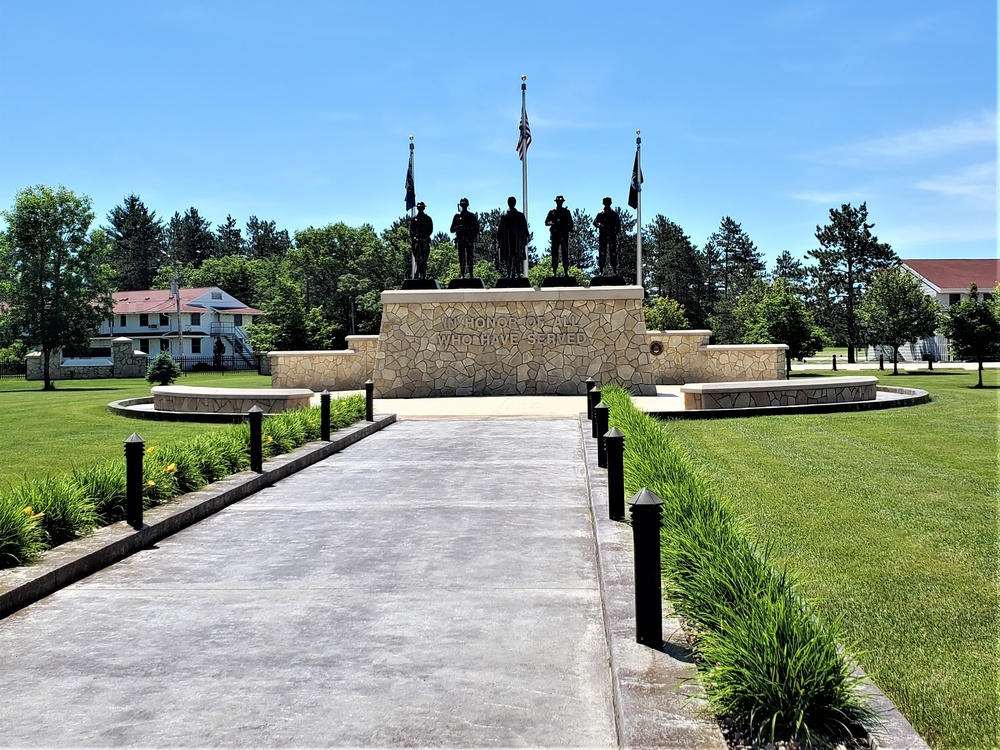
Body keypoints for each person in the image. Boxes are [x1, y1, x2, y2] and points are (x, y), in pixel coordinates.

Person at [496, 196, 528, 278]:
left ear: (515, 203)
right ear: (508, 203)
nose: (511, 204)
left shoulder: (520, 216)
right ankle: (509, 273)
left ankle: (518, 272)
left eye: (512, 202)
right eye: (510, 202)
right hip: (507, 241)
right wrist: (499, 241)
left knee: (517, 256)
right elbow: (500, 230)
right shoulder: (504, 217)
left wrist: (524, 240)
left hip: (517, 240)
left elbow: (524, 229)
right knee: (508, 256)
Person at [450, 198, 480, 278]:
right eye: (462, 204)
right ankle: (462, 274)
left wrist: (472, 237)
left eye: (465, 204)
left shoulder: (471, 216)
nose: (464, 206)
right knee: (461, 257)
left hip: (469, 239)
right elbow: (452, 229)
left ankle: (471, 274)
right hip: (461, 239)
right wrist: (459, 227)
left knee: (470, 257)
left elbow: (476, 228)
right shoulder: (457, 216)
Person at [544, 195, 574, 275]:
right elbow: (546, 222)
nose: (559, 203)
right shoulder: (552, 211)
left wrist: (565, 225)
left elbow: (571, 224)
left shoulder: (566, 212)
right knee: (554, 254)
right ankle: (554, 271)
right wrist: (554, 223)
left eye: (560, 202)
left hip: (564, 235)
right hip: (555, 235)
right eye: (558, 202)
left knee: (565, 253)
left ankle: (566, 271)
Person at [593, 197, 621, 276]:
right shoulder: (600, 213)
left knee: (613, 253)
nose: (607, 204)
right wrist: (599, 225)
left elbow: (618, 226)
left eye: (608, 202)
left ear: (610, 203)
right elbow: (595, 222)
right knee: (602, 253)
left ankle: (615, 271)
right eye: (606, 202)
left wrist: (614, 232)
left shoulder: (614, 214)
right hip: (603, 235)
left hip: (611, 236)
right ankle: (601, 270)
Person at [409, 201, 433, 280]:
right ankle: (418, 273)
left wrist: (424, 238)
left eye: (421, 207)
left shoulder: (428, 219)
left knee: (424, 259)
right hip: (416, 242)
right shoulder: (414, 219)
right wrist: (415, 238)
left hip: (425, 241)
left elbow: (430, 230)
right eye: (419, 207)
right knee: (417, 259)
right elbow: (411, 231)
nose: (420, 209)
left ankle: (423, 274)